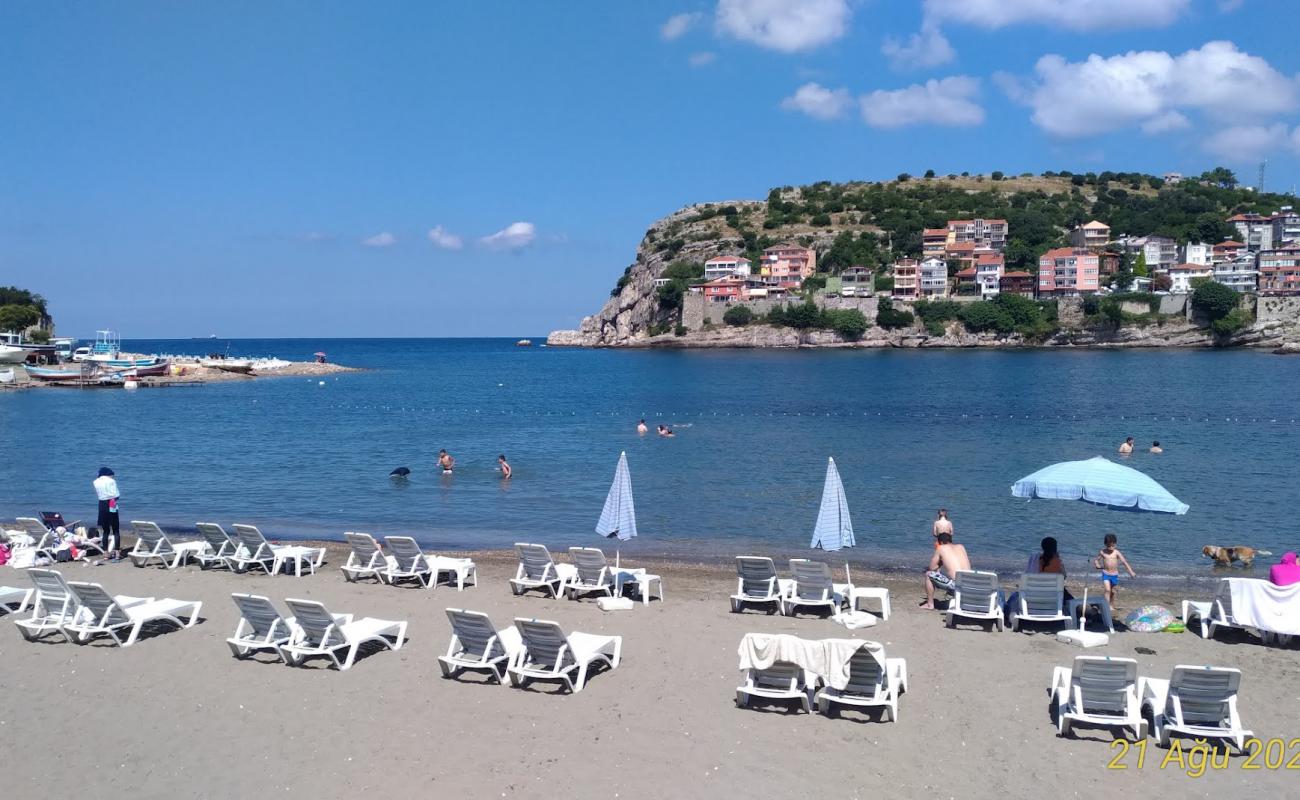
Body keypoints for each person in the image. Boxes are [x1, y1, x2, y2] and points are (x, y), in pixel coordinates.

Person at [921, 532, 970, 609]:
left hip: (956, 585)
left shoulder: (941, 548)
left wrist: (940, 563)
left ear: (940, 542)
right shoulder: (961, 547)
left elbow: (932, 567)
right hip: (969, 583)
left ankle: (930, 604)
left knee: (928, 574)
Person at [1092, 533, 1136, 606]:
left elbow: (1124, 562)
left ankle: (1111, 605)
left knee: (1112, 592)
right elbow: (1096, 560)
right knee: (1107, 590)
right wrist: (1097, 564)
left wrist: (1131, 572)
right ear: (1105, 544)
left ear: (1115, 544)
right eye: (1109, 546)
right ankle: (1106, 607)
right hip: (1105, 573)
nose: (1111, 547)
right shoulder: (1102, 552)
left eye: (1113, 545)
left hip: (1114, 575)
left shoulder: (1116, 552)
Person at [93, 467, 121, 560]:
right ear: (109, 474)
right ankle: (117, 552)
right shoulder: (111, 481)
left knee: (106, 531)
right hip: (111, 503)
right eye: (113, 475)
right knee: (116, 530)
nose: (113, 477)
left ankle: (105, 553)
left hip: (101, 505)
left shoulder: (95, 481)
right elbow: (116, 495)